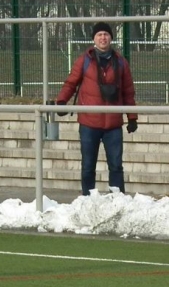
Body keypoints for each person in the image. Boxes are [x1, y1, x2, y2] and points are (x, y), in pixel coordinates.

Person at [53, 21, 137, 196]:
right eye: (99, 35)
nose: (103, 38)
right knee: (88, 166)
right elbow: (71, 83)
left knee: (116, 166)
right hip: (89, 123)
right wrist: (61, 101)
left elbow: (128, 91)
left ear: (111, 38)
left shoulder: (121, 62)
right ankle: (87, 198)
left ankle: (118, 199)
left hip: (113, 124)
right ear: (94, 39)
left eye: (106, 34)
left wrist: (132, 117)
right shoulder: (84, 60)